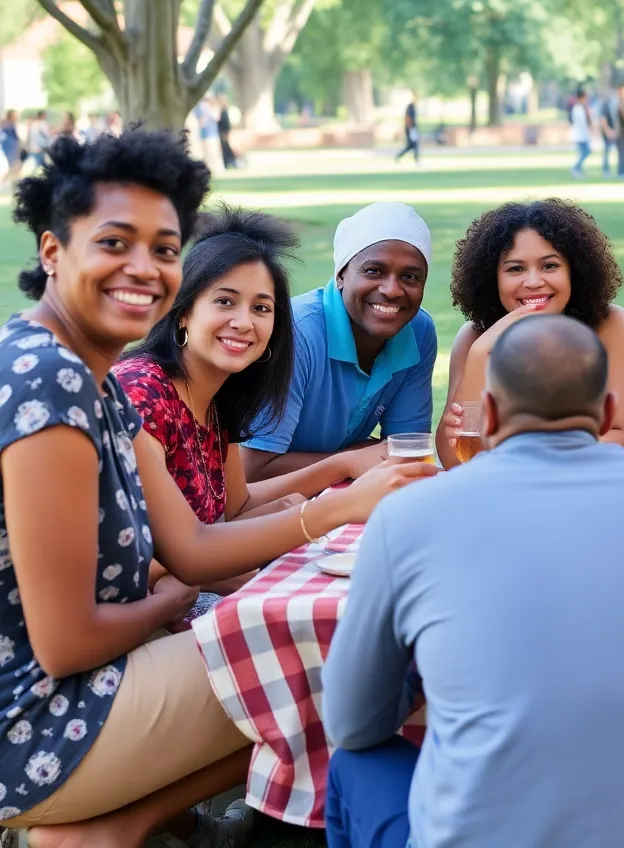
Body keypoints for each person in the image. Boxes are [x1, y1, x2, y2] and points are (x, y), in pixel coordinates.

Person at [0, 130, 434, 846]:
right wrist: (174, 597)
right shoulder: (55, 381)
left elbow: (199, 541)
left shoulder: (89, 376)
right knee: (329, 670)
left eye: (164, 249)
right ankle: (114, 829)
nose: (144, 268)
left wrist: (325, 502)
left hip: (80, 688)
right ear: (52, 251)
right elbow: (69, 642)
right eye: (115, 243)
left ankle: (128, 825)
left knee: (315, 647)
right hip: (37, 727)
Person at [322, 315, 624, 848]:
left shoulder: (404, 518)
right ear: (607, 410)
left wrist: (424, 675)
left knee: (353, 762)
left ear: (488, 415)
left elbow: (353, 724)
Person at [113, 207, 366, 613]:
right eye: (225, 301)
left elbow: (236, 507)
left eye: (261, 308)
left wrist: (331, 477)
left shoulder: (218, 400)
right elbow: (127, 557)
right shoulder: (141, 394)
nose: (244, 322)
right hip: (125, 618)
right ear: (183, 314)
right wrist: (315, 511)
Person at [438, 199, 624, 469]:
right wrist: (480, 353)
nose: (534, 282)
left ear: (574, 271)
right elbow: (455, 459)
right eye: (515, 269)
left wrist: (516, 454)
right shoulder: (474, 339)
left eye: (549, 266)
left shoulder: (610, 324)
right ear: (493, 279)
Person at [242, 202, 437, 482]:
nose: (392, 290)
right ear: (341, 274)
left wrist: (361, 458)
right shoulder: (296, 332)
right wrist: (351, 460)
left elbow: (406, 455)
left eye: (410, 276)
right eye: (374, 270)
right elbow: (252, 471)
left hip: (336, 498)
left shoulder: (418, 330)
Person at [569, 87, 592, 177]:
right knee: (585, 152)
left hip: (582, 134)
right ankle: (576, 168)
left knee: (585, 152)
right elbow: (582, 123)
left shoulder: (581, 108)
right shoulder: (578, 108)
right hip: (580, 135)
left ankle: (578, 169)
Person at [395, 95, 420, 164]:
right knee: (413, 144)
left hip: (412, 128)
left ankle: (399, 156)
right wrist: (411, 128)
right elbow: (408, 118)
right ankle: (416, 159)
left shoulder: (413, 107)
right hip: (411, 128)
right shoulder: (410, 107)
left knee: (411, 145)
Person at [217, 96, 239, 169]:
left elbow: (226, 123)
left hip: (223, 132)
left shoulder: (224, 111)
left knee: (226, 148)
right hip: (221, 132)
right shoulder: (221, 111)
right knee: (225, 148)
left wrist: (226, 132)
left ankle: (230, 162)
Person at [599, 93, 616, 176]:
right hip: (608, 132)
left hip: (614, 131)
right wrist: (608, 130)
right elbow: (603, 119)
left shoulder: (613, 104)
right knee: (607, 150)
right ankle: (606, 169)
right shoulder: (605, 105)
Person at [1, 109, 19, 181]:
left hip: (10, 147)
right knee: (14, 166)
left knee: (14, 166)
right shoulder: (8, 125)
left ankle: (10, 182)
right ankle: (4, 182)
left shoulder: (7, 124)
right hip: (10, 148)